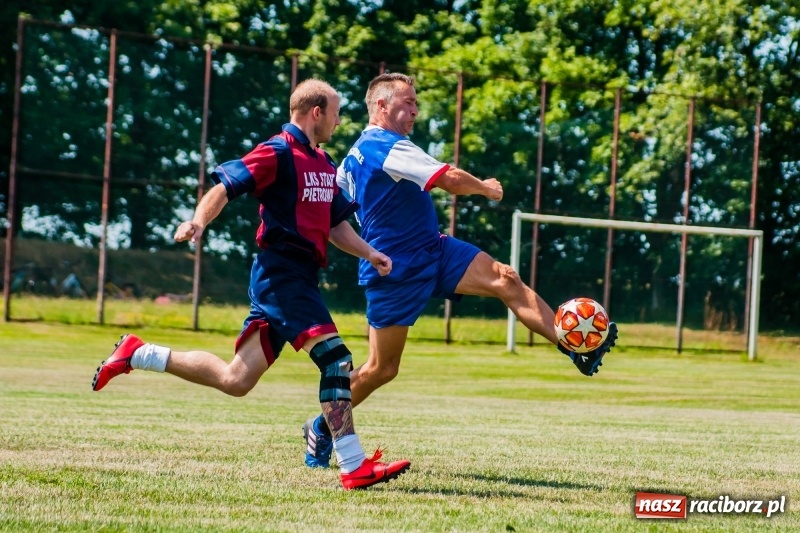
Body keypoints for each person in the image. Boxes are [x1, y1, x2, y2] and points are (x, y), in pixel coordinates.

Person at [91, 78, 410, 490]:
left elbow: (334, 225)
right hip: (281, 274)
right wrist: (198, 221)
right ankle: (353, 465)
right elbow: (224, 187)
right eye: (335, 110)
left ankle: (139, 352)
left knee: (235, 380)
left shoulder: (324, 162)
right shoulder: (277, 152)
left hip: (299, 278)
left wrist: (370, 253)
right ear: (316, 112)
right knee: (336, 361)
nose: (338, 118)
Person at [301, 72, 618, 468]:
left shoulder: (354, 156)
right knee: (382, 369)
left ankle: (570, 340)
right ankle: (320, 425)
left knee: (506, 279)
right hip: (395, 272)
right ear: (381, 106)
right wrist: (485, 187)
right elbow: (448, 179)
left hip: (434, 250)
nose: (415, 110)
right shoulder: (386, 145)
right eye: (407, 102)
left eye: (416, 102)